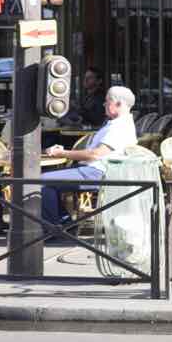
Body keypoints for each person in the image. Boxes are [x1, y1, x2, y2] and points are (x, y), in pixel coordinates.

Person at [41, 84, 138, 232]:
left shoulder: (120, 127)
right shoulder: (118, 123)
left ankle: (57, 229)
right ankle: (63, 226)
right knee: (42, 180)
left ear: (118, 104)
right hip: (95, 170)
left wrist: (63, 153)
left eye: (107, 101)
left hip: (98, 172)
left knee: (40, 182)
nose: (104, 104)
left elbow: (95, 154)